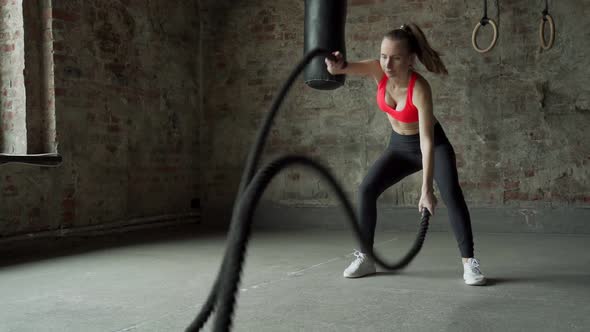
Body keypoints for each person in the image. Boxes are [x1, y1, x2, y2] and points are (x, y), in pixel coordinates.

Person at [325, 23, 486, 286]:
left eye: (396, 58)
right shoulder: (378, 70)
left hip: (433, 146)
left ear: (410, 60)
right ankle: (366, 257)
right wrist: (335, 66)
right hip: (399, 147)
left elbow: (426, 140)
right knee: (366, 189)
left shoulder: (420, 88)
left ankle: (469, 263)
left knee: (451, 194)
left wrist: (426, 189)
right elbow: (341, 68)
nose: (387, 64)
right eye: (383, 55)